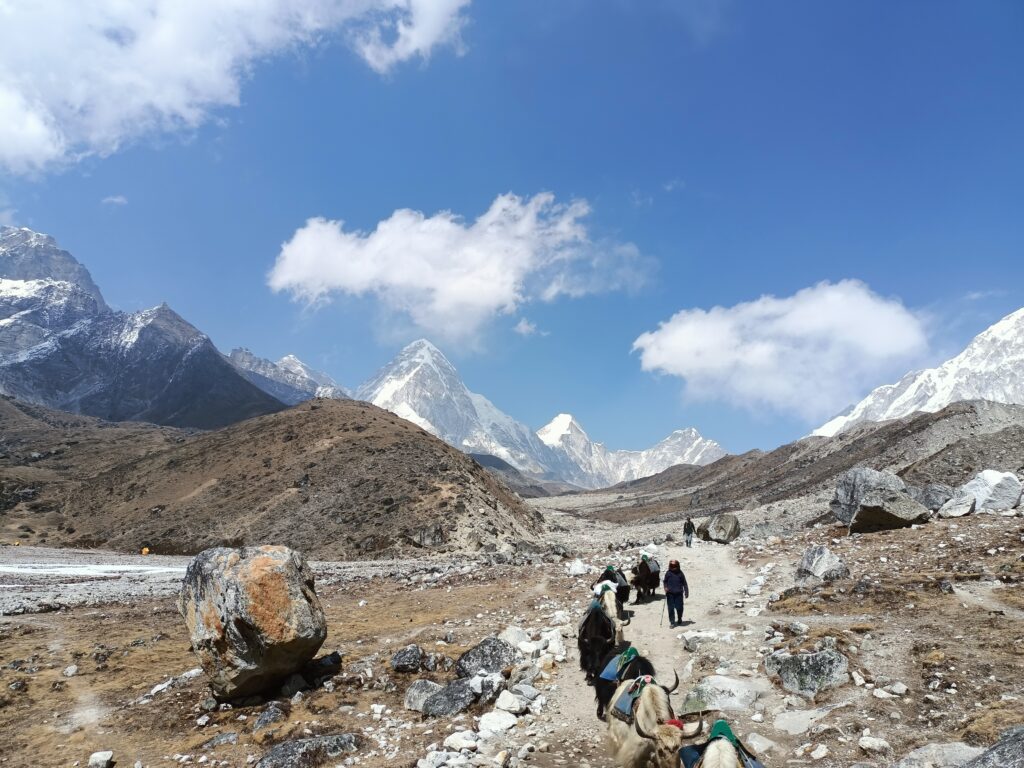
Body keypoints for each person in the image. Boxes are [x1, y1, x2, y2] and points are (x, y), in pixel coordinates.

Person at [663, 559, 689, 628]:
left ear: (677, 566)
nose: (673, 567)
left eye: (674, 565)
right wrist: (665, 587)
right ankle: (672, 622)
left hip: (679, 594)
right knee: (671, 609)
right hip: (670, 594)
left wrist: (686, 592)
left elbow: (684, 583)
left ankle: (679, 618)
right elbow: (665, 581)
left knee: (679, 608)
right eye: (671, 565)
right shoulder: (668, 573)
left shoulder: (680, 573)